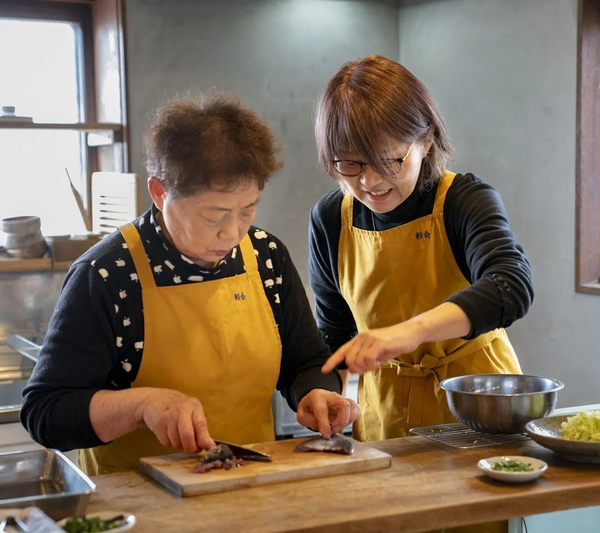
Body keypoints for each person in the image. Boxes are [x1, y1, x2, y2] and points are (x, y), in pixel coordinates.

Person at [21, 92, 359, 476]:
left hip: (251, 488)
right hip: (140, 498)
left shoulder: (266, 257)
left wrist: (316, 392)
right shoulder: (107, 275)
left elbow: (307, 362)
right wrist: (141, 405)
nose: (232, 233)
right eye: (214, 216)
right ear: (160, 193)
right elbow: (45, 413)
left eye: (247, 210)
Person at [310, 55, 533, 443]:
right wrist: (327, 395)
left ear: (426, 140)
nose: (369, 181)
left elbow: (510, 286)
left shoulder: (464, 200)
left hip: (479, 402)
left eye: (389, 161)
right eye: (350, 164)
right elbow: (335, 335)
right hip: (383, 410)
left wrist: (409, 333)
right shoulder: (331, 219)